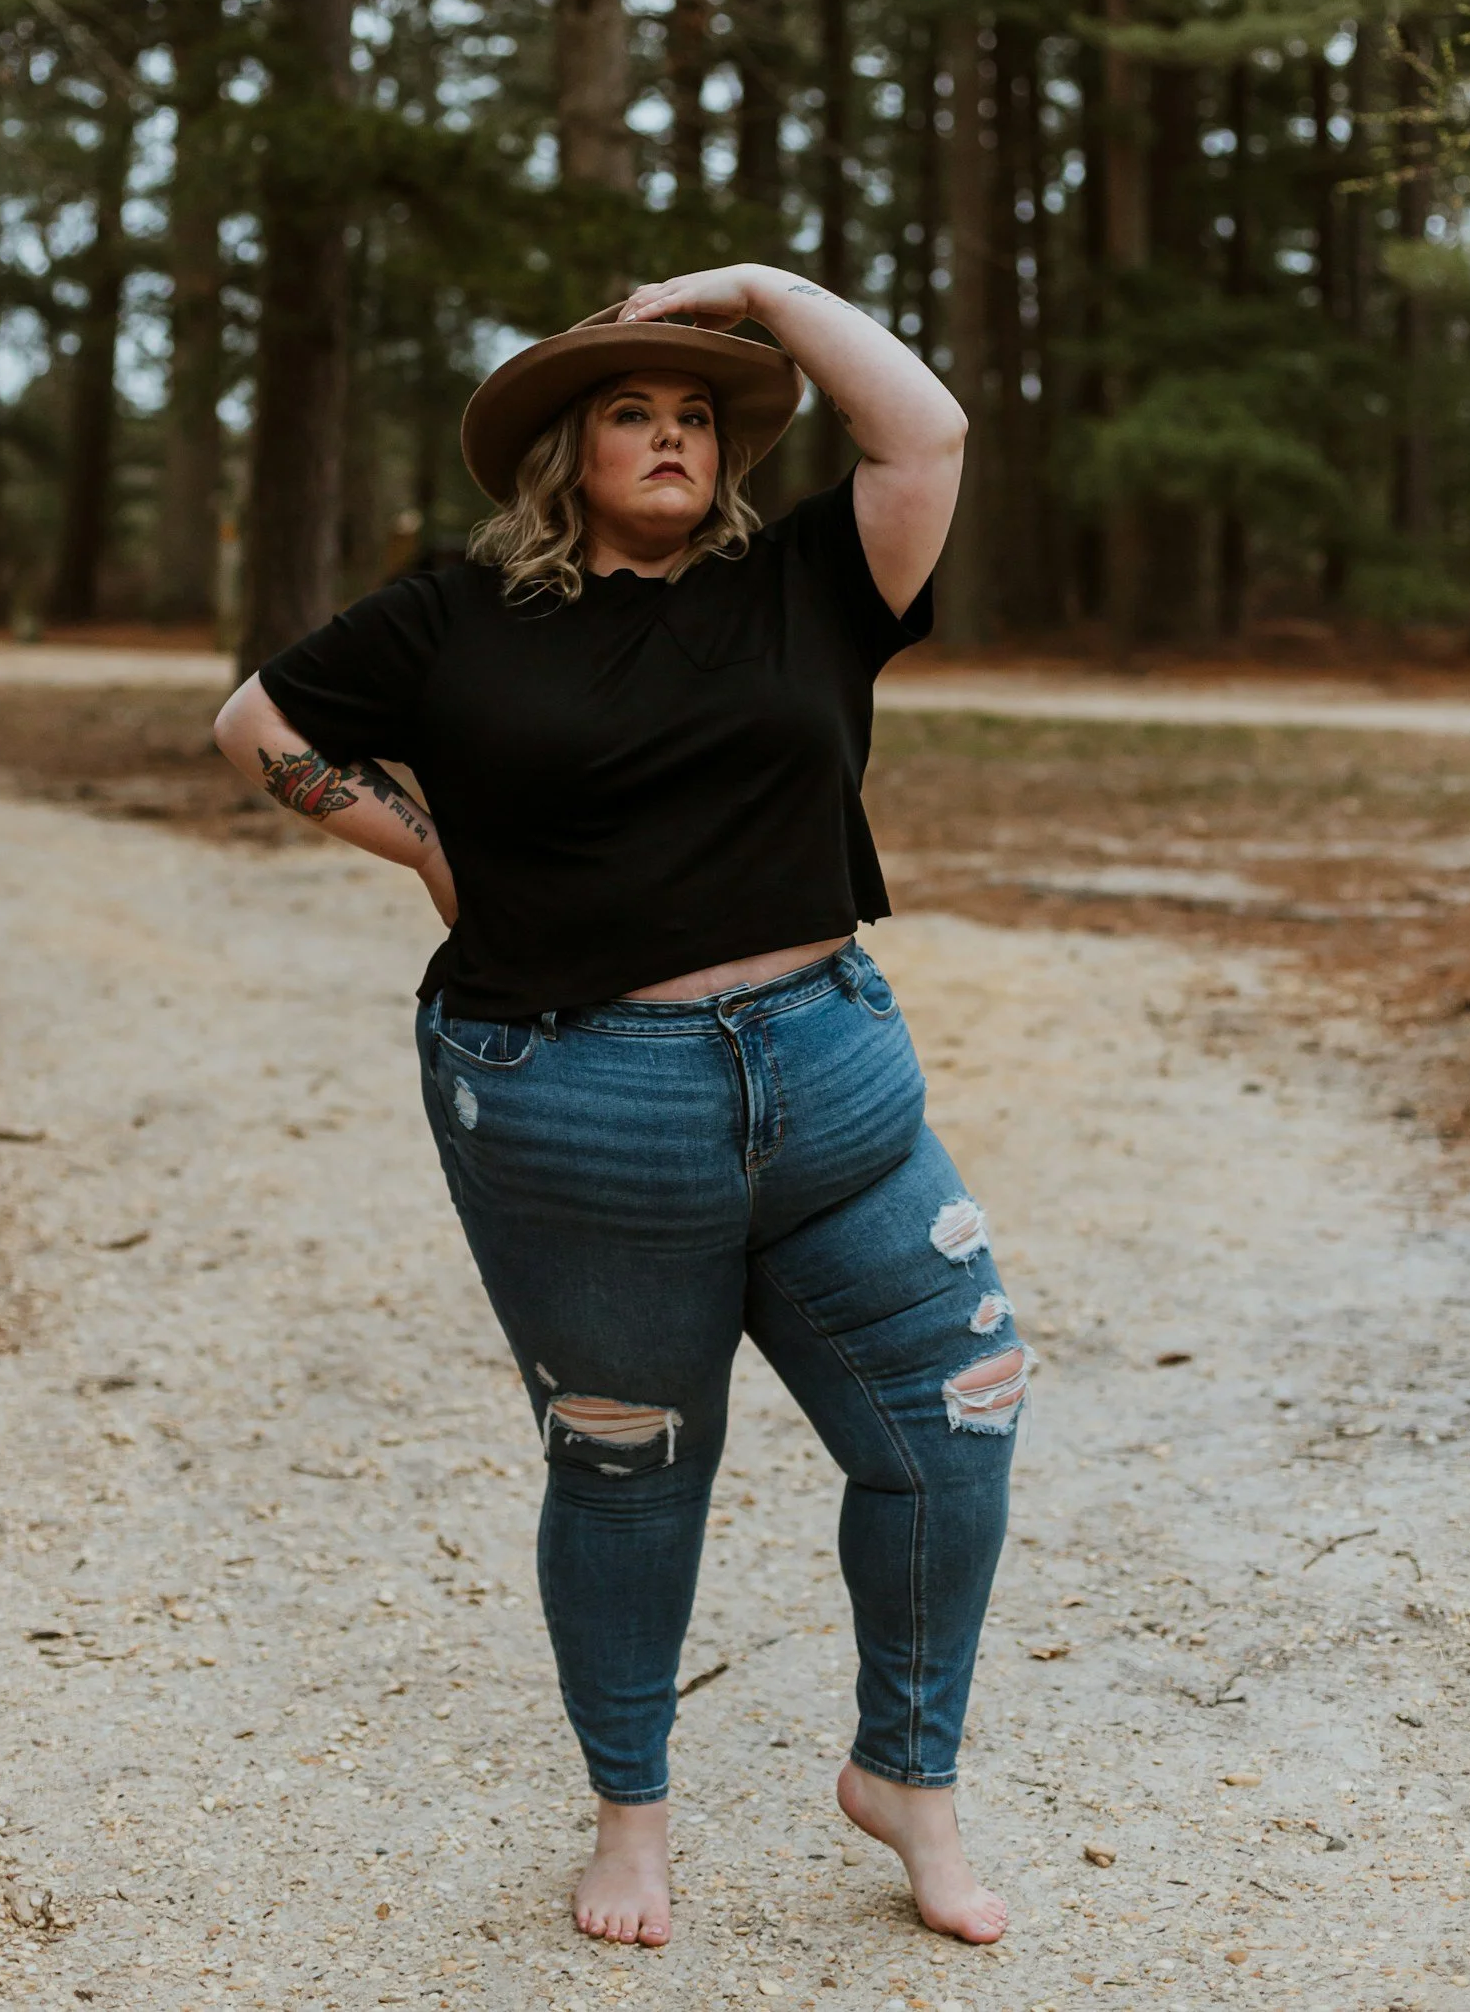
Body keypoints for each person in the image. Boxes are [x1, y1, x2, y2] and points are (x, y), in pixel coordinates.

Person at [213, 264, 1028, 1953]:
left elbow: (927, 427)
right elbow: (257, 724)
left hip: (832, 1072)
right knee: (629, 1470)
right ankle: (630, 1819)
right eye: (630, 413)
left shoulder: (811, 577)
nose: (672, 439)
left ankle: (907, 1779)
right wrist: (429, 846)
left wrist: (751, 291)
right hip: (579, 1096)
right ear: (563, 454)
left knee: (956, 1418)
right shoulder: (449, 619)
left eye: (696, 418)